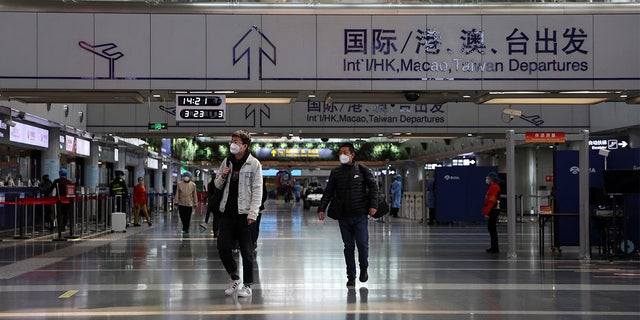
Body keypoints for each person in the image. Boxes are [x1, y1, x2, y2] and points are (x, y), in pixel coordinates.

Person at [318, 142, 378, 288]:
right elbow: (328, 192)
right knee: (348, 246)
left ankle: (364, 268)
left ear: (352, 155)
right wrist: (321, 208)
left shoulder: (362, 169)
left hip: (360, 215)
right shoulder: (336, 173)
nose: (342, 155)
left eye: (345, 153)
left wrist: (373, 205)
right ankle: (351, 276)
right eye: (341, 153)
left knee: (362, 245)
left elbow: (373, 187)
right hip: (343, 216)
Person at [215, 129, 263, 297]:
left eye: (236, 142)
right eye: (232, 141)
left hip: (245, 215)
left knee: (247, 252)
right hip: (227, 213)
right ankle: (234, 277)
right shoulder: (226, 161)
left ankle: (248, 285)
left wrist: (253, 213)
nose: (232, 145)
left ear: (245, 145)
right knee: (222, 247)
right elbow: (217, 185)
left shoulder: (254, 164)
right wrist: (222, 175)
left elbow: (258, 190)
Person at [45, 169, 71, 234]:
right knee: (65, 214)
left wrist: (44, 194)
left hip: (58, 199)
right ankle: (64, 226)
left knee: (59, 213)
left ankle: (60, 226)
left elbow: (50, 189)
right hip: (67, 200)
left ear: (59, 174)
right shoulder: (68, 182)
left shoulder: (57, 181)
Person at [482, 172, 501, 254]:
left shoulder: (494, 187)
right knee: (492, 230)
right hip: (493, 210)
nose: (487, 180)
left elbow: (491, 201)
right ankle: (494, 247)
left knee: (492, 230)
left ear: (491, 179)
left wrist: (487, 212)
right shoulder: (493, 187)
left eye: (488, 178)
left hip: (492, 211)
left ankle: (494, 248)